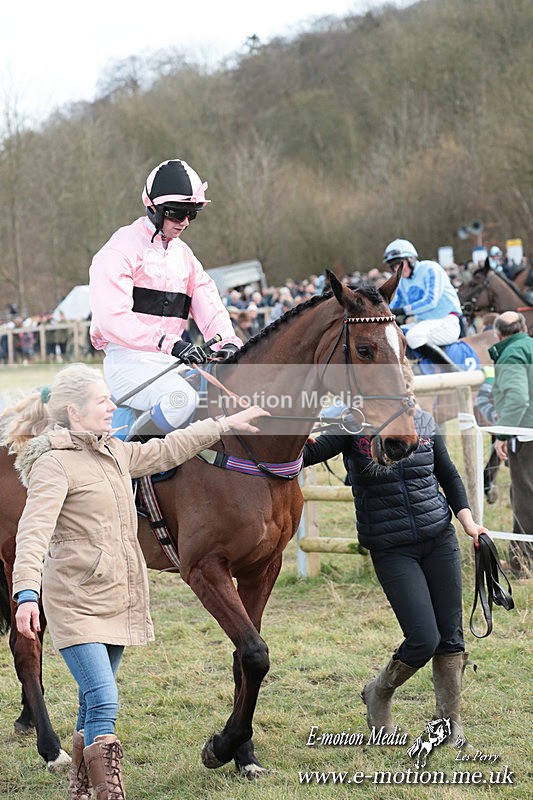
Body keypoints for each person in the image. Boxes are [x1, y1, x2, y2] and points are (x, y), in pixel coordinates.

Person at [5, 363, 268, 800]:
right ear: (74, 412)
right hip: (74, 601)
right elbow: (32, 534)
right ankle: (109, 791)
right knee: (104, 699)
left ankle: (80, 789)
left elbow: (169, 448)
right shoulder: (53, 465)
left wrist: (225, 423)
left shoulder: (115, 452)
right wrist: (27, 593)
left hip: (115, 596)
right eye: (102, 401)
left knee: (91, 701)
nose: (113, 406)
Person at [303, 407, 487, 744]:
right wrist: (295, 429)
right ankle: (379, 692)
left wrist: (469, 523)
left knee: (451, 637)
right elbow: (306, 455)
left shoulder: (424, 421)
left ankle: (449, 722)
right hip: (391, 547)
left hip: (439, 538)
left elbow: (448, 475)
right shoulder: (352, 425)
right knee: (423, 638)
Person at [89, 158, 243, 439]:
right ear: (153, 208)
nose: (184, 223)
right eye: (177, 214)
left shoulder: (185, 256)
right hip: (127, 360)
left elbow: (210, 307)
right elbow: (112, 319)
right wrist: (169, 343)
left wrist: (228, 342)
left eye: (191, 214)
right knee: (181, 400)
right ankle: (132, 459)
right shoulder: (118, 251)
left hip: (170, 360)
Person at [489, 311, 533, 578]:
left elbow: (518, 399)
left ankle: (523, 563)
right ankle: (519, 558)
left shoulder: (511, 354)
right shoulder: (528, 346)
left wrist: (503, 435)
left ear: (498, 335)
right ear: (523, 328)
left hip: (526, 435)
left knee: (524, 497)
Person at [383, 238, 463, 368]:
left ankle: (452, 370)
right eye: (394, 266)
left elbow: (431, 301)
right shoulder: (402, 281)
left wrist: (403, 311)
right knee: (393, 334)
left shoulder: (431, 268)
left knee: (413, 337)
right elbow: (394, 305)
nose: (398, 269)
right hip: (424, 323)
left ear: (411, 259)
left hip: (447, 320)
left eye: (400, 264)